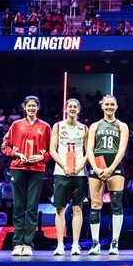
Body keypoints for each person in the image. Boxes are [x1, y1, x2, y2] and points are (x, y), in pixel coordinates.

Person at [1, 96, 51, 257]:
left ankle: (28, 244)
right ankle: (17, 243)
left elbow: (52, 150)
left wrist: (41, 157)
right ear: (24, 107)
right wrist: (17, 154)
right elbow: (4, 146)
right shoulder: (16, 125)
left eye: (34, 106)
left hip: (37, 169)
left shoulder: (45, 127)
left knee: (32, 207)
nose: (31, 108)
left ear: (38, 107)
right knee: (18, 207)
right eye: (28, 105)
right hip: (18, 168)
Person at [85, 95, 129, 255]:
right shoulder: (95, 126)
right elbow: (89, 149)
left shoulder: (122, 126)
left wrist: (111, 168)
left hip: (114, 165)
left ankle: (114, 243)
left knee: (116, 204)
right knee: (95, 204)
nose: (109, 107)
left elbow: (122, 150)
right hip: (97, 164)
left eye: (112, 104)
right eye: (107, 104)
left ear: (116, 107)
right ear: (102, 106)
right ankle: (95, 243)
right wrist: (96, 168)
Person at [49, 99, 89, 256]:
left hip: (79, 173)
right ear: (65, 109)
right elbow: (52, 149)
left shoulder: (84, 128)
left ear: (79, 110)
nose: (72, 109)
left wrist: (80, 167)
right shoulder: (58, 126)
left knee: (78, 208)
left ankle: (75, 245)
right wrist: (63, 166)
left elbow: (88, 151)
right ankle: (60, 245)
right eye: (70, 106)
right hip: (61, 172)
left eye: (75, 107)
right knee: (60, 208)